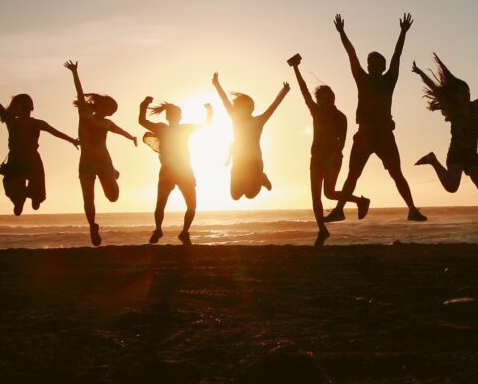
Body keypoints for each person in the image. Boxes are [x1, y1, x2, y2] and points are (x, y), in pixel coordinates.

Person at [326, 14, 426, 222]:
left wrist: (403, 32)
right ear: (368, 66)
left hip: (384, 136)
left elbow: (397, 56)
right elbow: (351, 54)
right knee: (352, 175)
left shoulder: (389, 80)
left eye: (377, 63)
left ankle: (412, 209)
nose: (373, 66)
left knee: (397, 174)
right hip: (364, 135)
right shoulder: (361, 78)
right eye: (370, 63)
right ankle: (339, 210)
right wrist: (342, 33)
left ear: (382, 67)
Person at [289, 54, 369, 245]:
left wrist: (331, 158)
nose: (328, 100)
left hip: (333, 159)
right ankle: (322, 230)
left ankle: (360, 201)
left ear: (333, 97)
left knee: (330, 193)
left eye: (330, 97)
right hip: (316, 158)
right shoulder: (316, 112)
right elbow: (304, 91)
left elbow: (342, 143)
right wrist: (296, 68)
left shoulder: (341, 117)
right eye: (324, 98)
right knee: (316, 196)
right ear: (320, 100)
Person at [0, 76, 79, 216]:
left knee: (37, 187)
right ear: (17, 108)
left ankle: (33, 198)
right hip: (16, 158)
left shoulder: (37, 123)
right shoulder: (12, 121)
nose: (25, 107)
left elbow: (55, 132)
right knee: (13, 187)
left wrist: (72, 140)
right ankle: (19, 201)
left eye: (27, 104)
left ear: (32, 107)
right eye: (22, 105)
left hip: (31, 158)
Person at [64, 61, 138, 245]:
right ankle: (92, 227)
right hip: (86, 163)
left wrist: (131, 138)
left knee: (113, 197)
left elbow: (120, 130)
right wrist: (74, 72)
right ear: (102, 106)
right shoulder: (85, 114)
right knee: (88, 199)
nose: (110, 114)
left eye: (112, 112)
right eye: (110, 109)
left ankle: (113, 173)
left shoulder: (106, 123)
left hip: (104, 163)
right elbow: (80, 93)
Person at [412, 55, 478, 196]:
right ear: (456, 96)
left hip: (472, 154)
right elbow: (434, 88)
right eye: (462, 92)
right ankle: (432, 160)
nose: (466, 95)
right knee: (451, 188)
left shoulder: (474, 107)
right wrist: (420, 73)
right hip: (456, 152)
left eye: (468, 92)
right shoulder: (452, 109)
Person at [139, 96, 212, 244]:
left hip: (181, 171)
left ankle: (178, 232)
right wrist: (209, 111)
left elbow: (206, 124)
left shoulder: (176, 128)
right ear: (175, 116)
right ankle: (165, 230)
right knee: (174, 205)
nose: (175, 117)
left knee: (183, 205)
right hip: (175, 171)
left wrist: (144, 105)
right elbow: (207, 124)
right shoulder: (168, 128)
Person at [211, 72, 289, 200]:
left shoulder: (258, 121)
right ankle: (258, 179)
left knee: (250, 194)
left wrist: (284, 91)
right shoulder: (235, 119)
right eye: (240, 107)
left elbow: (273, 107)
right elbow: (225, 101)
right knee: (235, 196)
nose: (242, 110)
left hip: (254, 163)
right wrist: (216, 84)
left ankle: (261, 177)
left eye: (247, 107)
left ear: (251, 109)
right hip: (239, 162)